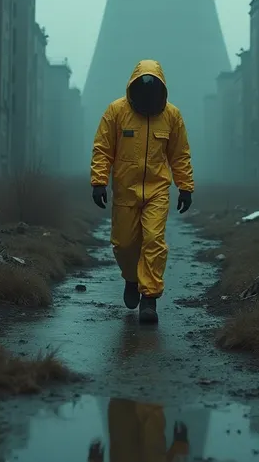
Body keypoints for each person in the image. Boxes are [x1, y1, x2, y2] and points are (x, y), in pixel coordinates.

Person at [90, 59, 194, 324]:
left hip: (157, 190)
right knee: (124, 244)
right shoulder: (116, 111)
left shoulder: (171, 115)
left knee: (153, 240)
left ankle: (149, 299)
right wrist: (99, 181)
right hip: (126, 190)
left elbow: (179, 154)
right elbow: (103, 148)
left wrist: (185, 187)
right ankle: (131, 278)